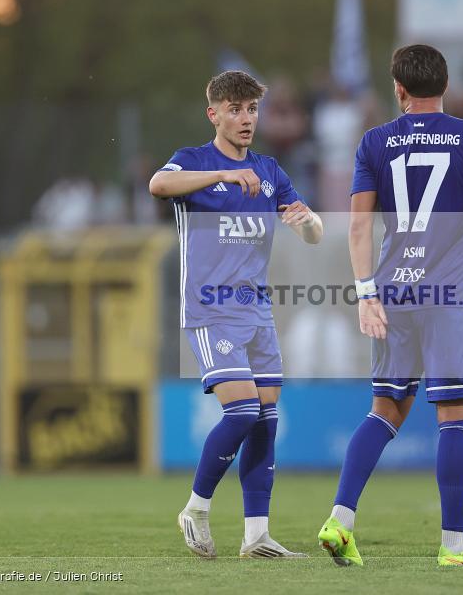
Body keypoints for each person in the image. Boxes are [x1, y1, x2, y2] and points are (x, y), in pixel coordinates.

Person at [317, 44, 463, 567]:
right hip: (448, 293)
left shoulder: (374, 142)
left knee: (385, 409)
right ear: (446, 86)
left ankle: (340, 521)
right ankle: (455, 547)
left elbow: (360, 225)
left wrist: (366, 293)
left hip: (392, 290)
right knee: (457, 415)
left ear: (399, 89)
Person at [149, 70, 323, 559]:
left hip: (257, 312)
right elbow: (158, 185)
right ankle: (196, 509)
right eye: (235, 109)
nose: (246, 119)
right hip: (210, 309)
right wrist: (224, 174)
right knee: (242, 409)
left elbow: (313, 232)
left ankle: (257, 536)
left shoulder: (270, 171)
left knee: (265, 419)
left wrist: (307, 222)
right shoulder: (193, 163)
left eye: (252, 109)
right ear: (214, 114)